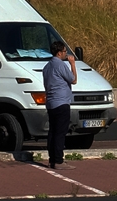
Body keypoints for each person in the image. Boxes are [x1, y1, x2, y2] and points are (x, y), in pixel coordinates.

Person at [43, 41, 77, 170]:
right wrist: (72, 64)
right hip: (61, 102)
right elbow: (73, 79)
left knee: (52, 131)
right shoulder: (60, 65)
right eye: (64, 51)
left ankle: (52, 159)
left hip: (51, 102)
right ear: (59, 53)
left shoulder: (47, 67)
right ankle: (58, 160)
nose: (66, 54)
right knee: (60, 132)